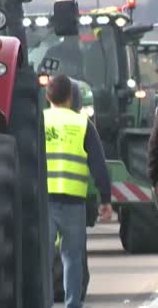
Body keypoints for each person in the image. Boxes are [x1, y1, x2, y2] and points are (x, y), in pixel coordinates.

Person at [45, 74, 113, 308]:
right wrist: (106, 199)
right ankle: (72, 304)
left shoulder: (38, 122)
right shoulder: (83, 124)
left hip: (44, 203)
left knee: (41, 258)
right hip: (74, 203)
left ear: (47, 96)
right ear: (72, 97)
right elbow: (99, 165)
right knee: (72, 258)